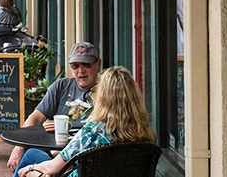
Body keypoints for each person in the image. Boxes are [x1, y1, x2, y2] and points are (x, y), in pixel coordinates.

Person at [16, 66, 155, 177]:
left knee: (31, 156)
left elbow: (54, 167)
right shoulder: (144, 131)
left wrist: (32, 168)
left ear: (103, 97)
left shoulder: (93, 131)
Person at [7, 42, 102, 173]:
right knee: (29, 153)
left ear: (98, 64)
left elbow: (100, 128)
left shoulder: (105, 93)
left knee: (31, 156)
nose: (81, 71)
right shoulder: (61, 87)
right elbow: (35, 118)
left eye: (87, 64)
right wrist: (18, 148)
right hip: (56, 153)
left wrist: (66, 127)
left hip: (82, 158)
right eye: (75, 66)